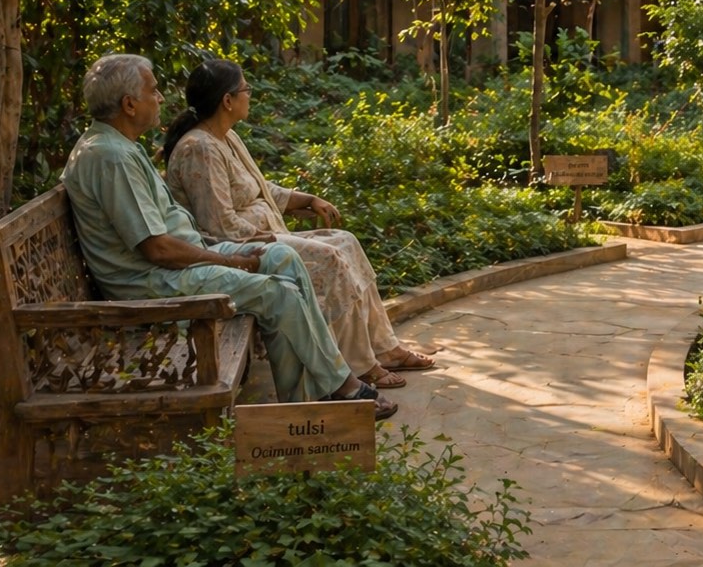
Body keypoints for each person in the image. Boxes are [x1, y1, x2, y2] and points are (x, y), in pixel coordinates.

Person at [62, 54, 396, 419]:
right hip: (152, 283)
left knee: (283, 259)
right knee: (278, 293)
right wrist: (230, 260)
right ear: (129, 104)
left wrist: (237, 251)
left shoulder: (117, 146)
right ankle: (338, 388)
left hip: (175, 263)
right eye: (153, 90)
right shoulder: (111, 157)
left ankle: (306, 402)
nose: (160, 98)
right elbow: (157, 249)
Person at [163, 59, 436, 390]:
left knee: (346, 241)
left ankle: (385, 348)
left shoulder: (226, 137)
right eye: (246, 89)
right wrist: (275, 236)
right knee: (330, 259)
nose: (251, 95)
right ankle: (359, 364)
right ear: (227, 100)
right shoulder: (199, 148)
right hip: (244, 250)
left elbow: (261, 190)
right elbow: (219, 227)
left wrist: (306, 199)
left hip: (266, 236)